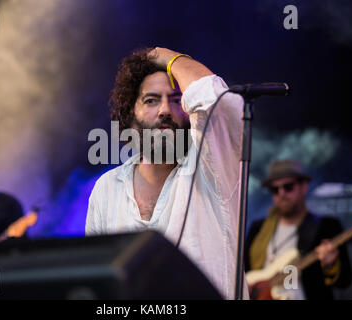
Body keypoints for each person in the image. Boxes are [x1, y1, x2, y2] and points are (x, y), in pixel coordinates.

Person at [86, 47, 248, 299]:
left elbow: (219, 102)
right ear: (131, 115)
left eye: (176, 99)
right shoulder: (106, 188)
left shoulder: (213, 168)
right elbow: (96, 282)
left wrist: (169, 58)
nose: (164, 110)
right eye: (151, 100)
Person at [244, 159, 352, 299]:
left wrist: (331, 265)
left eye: (288, 187)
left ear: (304, 187)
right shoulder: (257, 228)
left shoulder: (326, 227)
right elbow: (243, 271)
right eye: (275, 189)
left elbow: (345, 281)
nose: (281, 193)